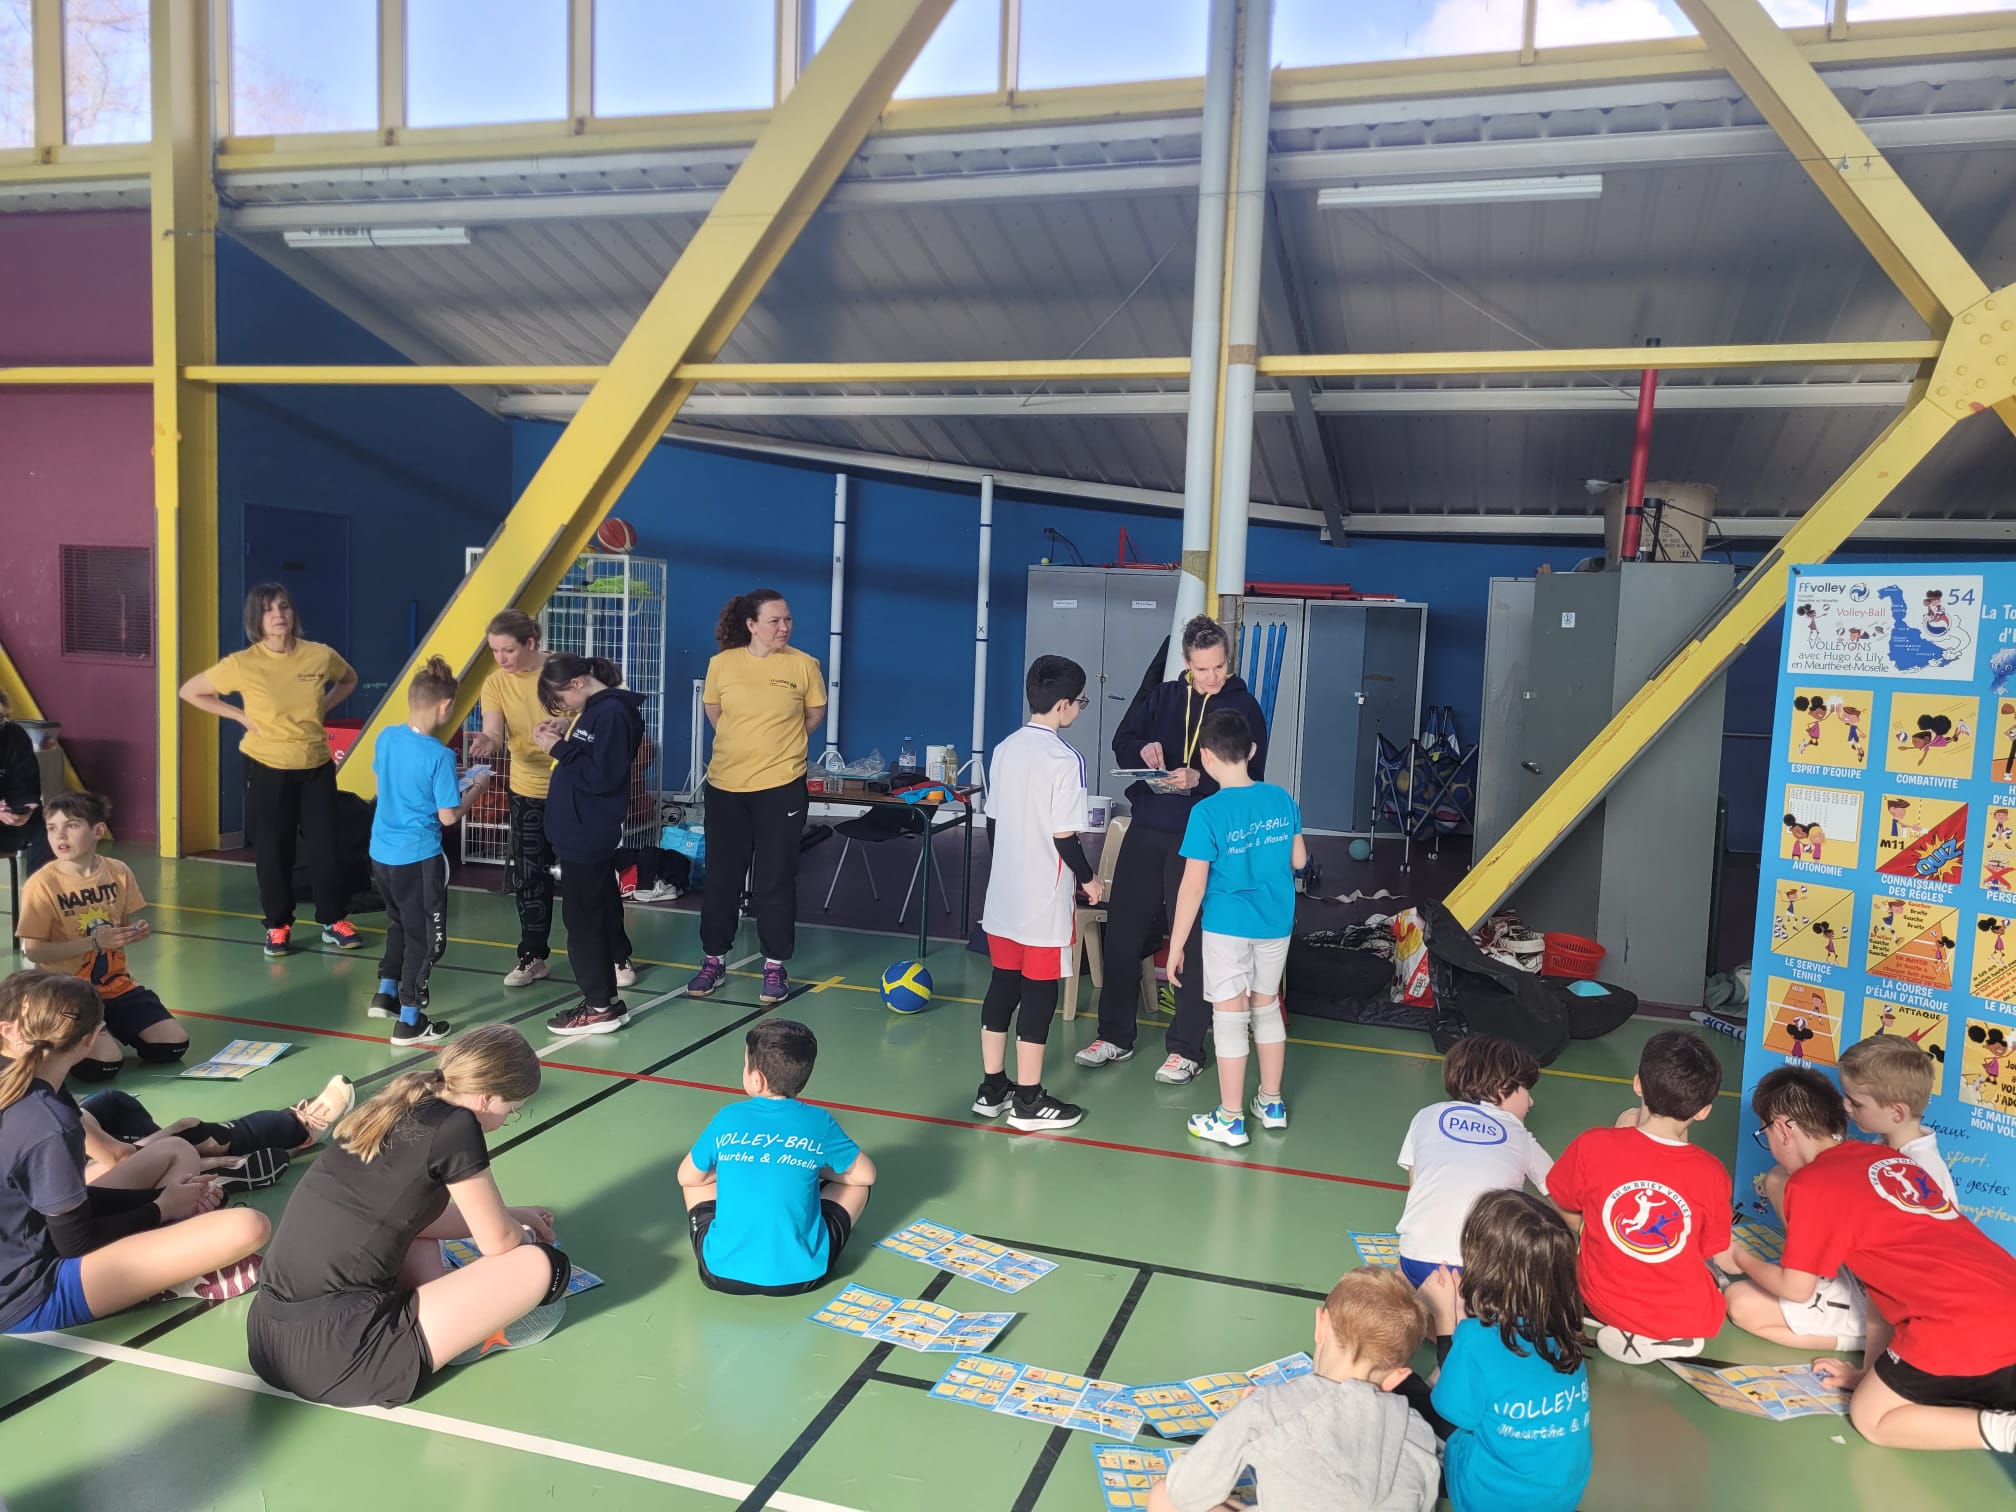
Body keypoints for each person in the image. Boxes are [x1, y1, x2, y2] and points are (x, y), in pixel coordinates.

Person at [246, 1025, 568, 1409]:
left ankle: (444, 1317)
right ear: (486, 1098)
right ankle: (453, 1333)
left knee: (417, 1231)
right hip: (340, 1357)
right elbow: (498, 1243)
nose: (505, 1118)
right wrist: (523, 1235)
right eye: (510, 1111)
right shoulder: (458, 1125)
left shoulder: (398, 1103)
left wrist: (513, 1214)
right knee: (542, 1265)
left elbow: (402, 1217)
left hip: (269, 1340)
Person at [1729, 1066, 2016, 1455]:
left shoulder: (1810, 1183)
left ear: (1783, 1128)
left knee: (1870, 1418)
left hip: (1956, 1321)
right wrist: (1869, 1373)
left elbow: (1796, 1289)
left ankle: (2007, 1432)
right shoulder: (1887, 1158)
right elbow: (1879, 1303)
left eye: (1764, 1133)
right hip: (2004, 1294)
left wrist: (1739, 1257)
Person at [0, 971, 269, 1339]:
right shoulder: (50, 1122)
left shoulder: (30, 1088)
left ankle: (168, 1253)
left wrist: (161, 1197)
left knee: (174, 1151)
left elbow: (57, 1207)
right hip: (27, 1294)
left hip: (30, 1242)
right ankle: (161, 1278)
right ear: (92, 1038)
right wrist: (159, 1209)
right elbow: (75, 1242)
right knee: (248, 1227)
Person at [1080, 615, 1269, 1087]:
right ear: (1186, 663)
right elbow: (1122, 742)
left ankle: (1186, 1049)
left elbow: (1252, 776)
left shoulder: (1243, 706)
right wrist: (1142, 750)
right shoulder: (1163, 696)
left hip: (1204, 838)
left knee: (1194, 943)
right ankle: (1114, 1036)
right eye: (1202, 669)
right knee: (1123, 932)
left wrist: (1200, 779)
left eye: (1219, 667)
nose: (1212, 677)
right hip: (1148, 827)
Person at [1146, 1267, 1440, 1512]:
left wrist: (1247, 1414)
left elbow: (1184, 1492)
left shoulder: (1266, 1405)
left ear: (1320, 1325)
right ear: (1398, 1376)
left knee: (1164, 1495)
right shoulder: (1418, 1431)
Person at [179, 584, 362, 956]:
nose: (278, 615)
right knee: (274, 850)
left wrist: (323, 707)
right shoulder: (243, 664)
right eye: (268, 610)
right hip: (266, 767)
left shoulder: (319, 655)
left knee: (326, 847)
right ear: (256, 619)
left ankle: (333, 921)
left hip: (315, 765)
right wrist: (238, 715)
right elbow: (190, 691)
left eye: (283, 607)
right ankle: (278, 925)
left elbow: (349, 679)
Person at [972, 655, 1103, 1133]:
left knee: (1003, 984)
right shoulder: (1065, 760)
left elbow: (994, 821)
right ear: (1064, 705)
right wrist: (1089, 879)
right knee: (1040, 993)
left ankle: (992, 1089)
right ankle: (1028, 1101)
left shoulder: (1004, 748)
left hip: (1002, 896)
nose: (1079, 709)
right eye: (1081, 701)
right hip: (1043, 901)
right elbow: (1064, 836)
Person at [1164, 708, 1305, 1147]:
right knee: (1266, 1005)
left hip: (1227, 926)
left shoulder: (1206, 812)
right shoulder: (1281, 798)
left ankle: (1230, 1118)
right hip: (1275, 923)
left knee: (1230, 1016)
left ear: (1205, 758)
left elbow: (1192, 886)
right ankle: (1272, 1102)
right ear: (1252, 751)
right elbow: (1299, 860)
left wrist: (1177, 945)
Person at [1546, 1030, 1730, 1364]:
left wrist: (1592, 1231)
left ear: (1637, 1084)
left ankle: (1610, 1319)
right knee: (1714, 1279)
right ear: (1704, 1111)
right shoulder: (1712, 1172)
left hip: (1600, 1297)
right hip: (1685, 1315)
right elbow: (1707, 1247)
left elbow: (1560, 1201)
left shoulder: (1593, 1144)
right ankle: (1661, 1335)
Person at [688, 591, 827, 1008]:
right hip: (726, 788)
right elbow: (716, 713)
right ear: (751, 625)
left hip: (781, 787)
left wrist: (778, 746)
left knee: (775, 879)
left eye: (788, 620)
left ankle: (775, 965)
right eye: (774, 621)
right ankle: (714, 959)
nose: (784, 627)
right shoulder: (721, 664)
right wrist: (744, 743)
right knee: (722, 878)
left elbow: (812, 716)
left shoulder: (804, 665)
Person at [1416, 1190, 1591, 1512]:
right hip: (1561, 1497)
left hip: (1487, 1498)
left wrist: (1445, 1319)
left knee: (1410, 1398)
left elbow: (1448, 1410)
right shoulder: (1565, 1330)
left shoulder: (1476, 1340)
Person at [677, 1019, 875, 1296]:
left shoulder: (728, 1116)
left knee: (696, 1180)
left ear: (756, 1078)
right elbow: (866, 1175)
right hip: (800, 1277)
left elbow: (686, 1177)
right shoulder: (819, 1121)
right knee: (857, 1186)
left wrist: (739, 1163)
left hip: (720, 1273)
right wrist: (811, 1165)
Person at [367, 657, 491, 1048]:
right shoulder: (439, 755)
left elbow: (389, 785)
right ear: (444, 706)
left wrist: (453, 781)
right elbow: (448, 816)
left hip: (381, 853)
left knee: (399, 923)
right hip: (417, 857)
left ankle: (385, 993)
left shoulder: (387, 738)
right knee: (426, 940)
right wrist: (476, 789)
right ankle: (410, 1020)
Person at [17, 792, 189, 1076]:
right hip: (66, 991)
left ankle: (105, 1024)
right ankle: (48, 1030)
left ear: (97, 831)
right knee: (103, 1066)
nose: (60, 835)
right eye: (52, 828)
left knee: (172, 1047)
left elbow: (118, 927)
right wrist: (94, 942)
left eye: (71, 826)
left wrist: (132, 932)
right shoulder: (42, 883)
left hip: (115, 985)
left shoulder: (118, 871)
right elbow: (33, 951)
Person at [535, 654, 645, 1037]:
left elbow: (603, 776)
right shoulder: (596, 710)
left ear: (578, 684)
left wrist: (557, 748)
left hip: (588, 832)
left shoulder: (611, 712)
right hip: (578, 830)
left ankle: (599, 1007)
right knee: (589, 917)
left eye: (562, 700)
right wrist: (568, 729)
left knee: (583, 922)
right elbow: (596, 753)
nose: (563, 707)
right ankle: (605, 1000)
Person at [1394, 1036, 1554, 1286]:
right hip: (1484, 1268)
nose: (1531, 1102)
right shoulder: (1519, 1134)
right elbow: (1561, 1193)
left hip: (1415, 1259)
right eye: (1526, 1090)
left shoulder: (1426, 1115)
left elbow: (1416, 1189)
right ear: (1502, 1087)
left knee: (1411, 1286)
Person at [467, 609, 561, 988]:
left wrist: (564, 725)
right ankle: (533, 956)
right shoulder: (495, 683)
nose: (500, 658)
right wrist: (487, 741)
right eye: (494, 650)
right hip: (526, 789)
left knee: (589, 878)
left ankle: (614, 954)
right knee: (529, 876)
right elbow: (494, 731)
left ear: (531, 643)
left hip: (573, 788)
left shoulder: (561, 670)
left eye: (508, 650)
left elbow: (590, 713)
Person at [0, 688, 55, 879]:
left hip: (7, 821)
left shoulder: (13, 735)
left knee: (51, 825)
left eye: (2, 718)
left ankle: (38, 893)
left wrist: (25, 808)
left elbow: (25, 783)